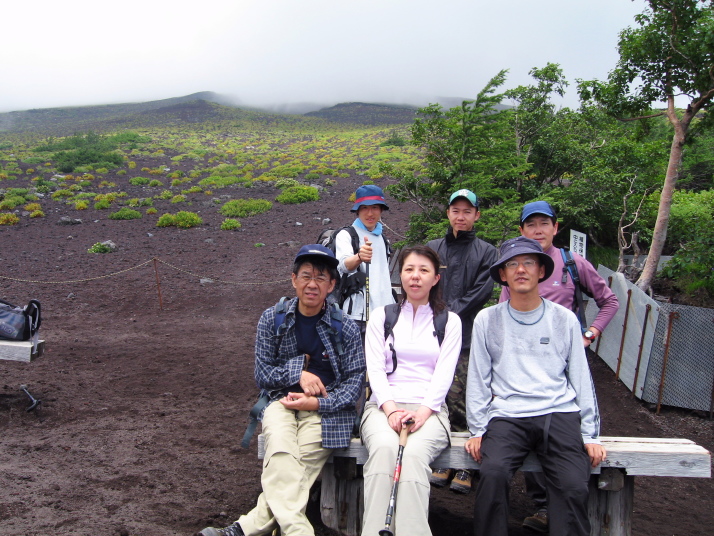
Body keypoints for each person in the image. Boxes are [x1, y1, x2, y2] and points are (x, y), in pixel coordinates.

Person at [200, 244, 366, 536]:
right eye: (305, 276)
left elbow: (354, 385)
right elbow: (262, 375)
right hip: (281, 402)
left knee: (299, 459)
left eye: (321, 278)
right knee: (279, 449)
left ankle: (243, 529)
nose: (312, 284)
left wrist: (317, 404)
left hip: (326, 413)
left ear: (332, 285)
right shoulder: (272, 319)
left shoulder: (346, 328)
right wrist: (298, 374)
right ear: (293, 280)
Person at [465, 236, 607, 536]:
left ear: (541, 270)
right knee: (492, 474)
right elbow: (478, 377)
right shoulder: (487, 320)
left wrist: (589, 433)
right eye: (512, 264)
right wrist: (478, 429)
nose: (520, 270)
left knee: (571, 485)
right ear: (502, 274)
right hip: (508, 414)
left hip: (559, 411)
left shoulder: (564, 319)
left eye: (528, 262)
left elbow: (581, 377)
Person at [499, 200, 619, 532]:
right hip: (526, 364)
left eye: (544, 224)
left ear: (555, 227)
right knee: (528, 423)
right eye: (531, 225)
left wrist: (590, 333)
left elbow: (609, 300)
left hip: (566, 362)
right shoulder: (515, 265)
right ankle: (542, 505)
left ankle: (561, 506)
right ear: (522, 230)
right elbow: (502, 311)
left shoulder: (572, 263)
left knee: (565, 432)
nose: (538, 231)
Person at [360, 245, 461, 536]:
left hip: (430, 411)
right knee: (383, 451)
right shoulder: (382, 316)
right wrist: (390, 409)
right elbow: (375, 369)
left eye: (423, 270)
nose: (415, 277)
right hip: (381, 407)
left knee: (413, 458)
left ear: (435, 278)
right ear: (400, 275)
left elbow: (445, 374)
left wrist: (423, 412)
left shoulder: (449, 322)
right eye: (409, 269)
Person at [425, 189, 498, 493]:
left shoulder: (487, 252)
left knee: (466, 399)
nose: (461, 216)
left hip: (468, 337)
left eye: (467, 211)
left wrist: (449, 313)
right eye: (456, 210)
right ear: (448, 213)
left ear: (477, 215)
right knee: (436, 397)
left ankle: (465, 466)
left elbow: (481, 291)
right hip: (431, 336)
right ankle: (443, 459)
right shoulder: (433, 248)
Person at [335, 184, 395, 331]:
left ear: (381, 210)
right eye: (365, 208)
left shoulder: (383, 239)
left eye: (375, 207)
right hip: (358, 315)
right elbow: (343, 265)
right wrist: (359, 257)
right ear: (357, 211)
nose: (370, 213)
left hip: (386, 313)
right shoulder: (346, 235)